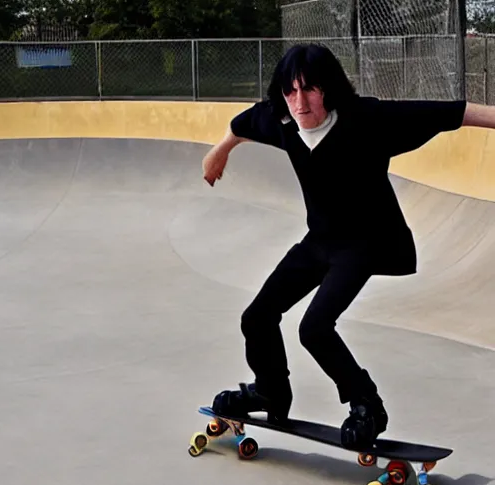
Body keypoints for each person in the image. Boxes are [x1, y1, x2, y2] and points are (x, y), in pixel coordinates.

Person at [201, 43, 495, 450]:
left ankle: (367, 406)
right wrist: (218, 153)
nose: (300, 103)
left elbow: (455, 113)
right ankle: (270, 390)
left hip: (364, 244)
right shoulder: (281, 119)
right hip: (318, 241)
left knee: (314, 328)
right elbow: (241, 123)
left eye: (310, 90)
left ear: (329, 89)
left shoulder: (367, 120)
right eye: (291, 92)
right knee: (257, 317)